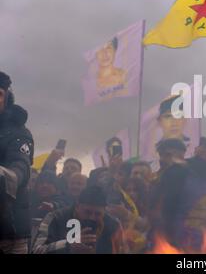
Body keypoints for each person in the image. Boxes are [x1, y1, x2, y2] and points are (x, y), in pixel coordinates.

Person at [155, 135, 206, 251]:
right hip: (175, 245)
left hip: (205, 246)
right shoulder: (179, 173)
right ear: (202, 152)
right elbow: (161, 210)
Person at [32, 186, 126, 254]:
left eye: (98, 214)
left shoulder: (113, 225)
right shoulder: (56, 217)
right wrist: (69, 246)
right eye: (87, 212)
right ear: (77, 207)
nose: (92, 218)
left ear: (104, 211)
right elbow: (36, 250)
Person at [0, 71, 34, 254]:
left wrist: (7, 175)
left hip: (9, 237)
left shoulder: (19, 133)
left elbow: (20, 168)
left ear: (6, 98)